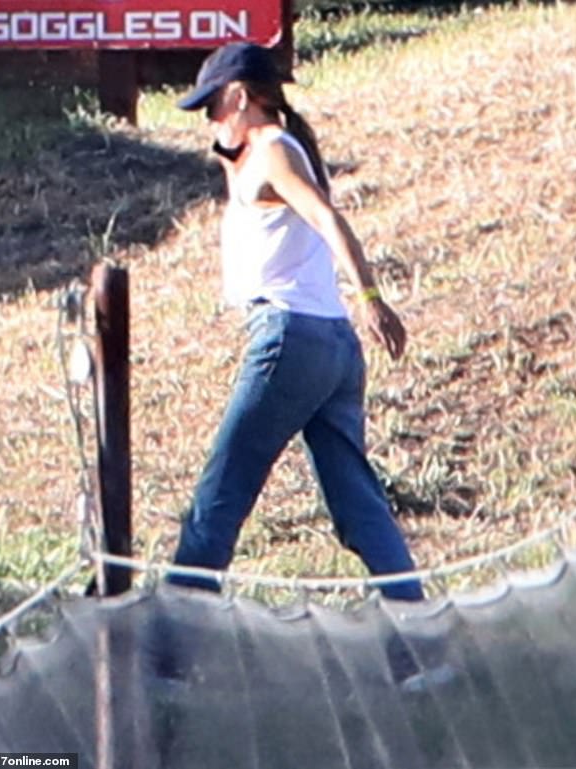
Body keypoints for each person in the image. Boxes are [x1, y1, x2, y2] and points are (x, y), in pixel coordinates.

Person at [167, 42, 424, 604]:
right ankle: (422, 640)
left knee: (221, 494)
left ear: (240, 96)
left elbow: (326, 217)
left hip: (289, 340)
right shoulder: (265, 151)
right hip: (334, 347)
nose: (208, 120)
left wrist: (372, 295)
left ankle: (164, 651)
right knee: (360, 507)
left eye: (212, 107)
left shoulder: (274, 152)